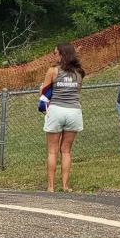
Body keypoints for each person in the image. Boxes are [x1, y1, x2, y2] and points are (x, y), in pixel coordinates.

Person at [40, 43, 85, 192]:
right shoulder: (79, 72)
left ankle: (51, 186)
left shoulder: (53, 70)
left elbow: (44, 92)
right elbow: (77, 91)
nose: (54, 56)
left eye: (55, 53)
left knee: (52, 151)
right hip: (73, 111)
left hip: (56, 109)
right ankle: (66, 186)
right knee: (66, 151)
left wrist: (43, 90)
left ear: (61, 54)